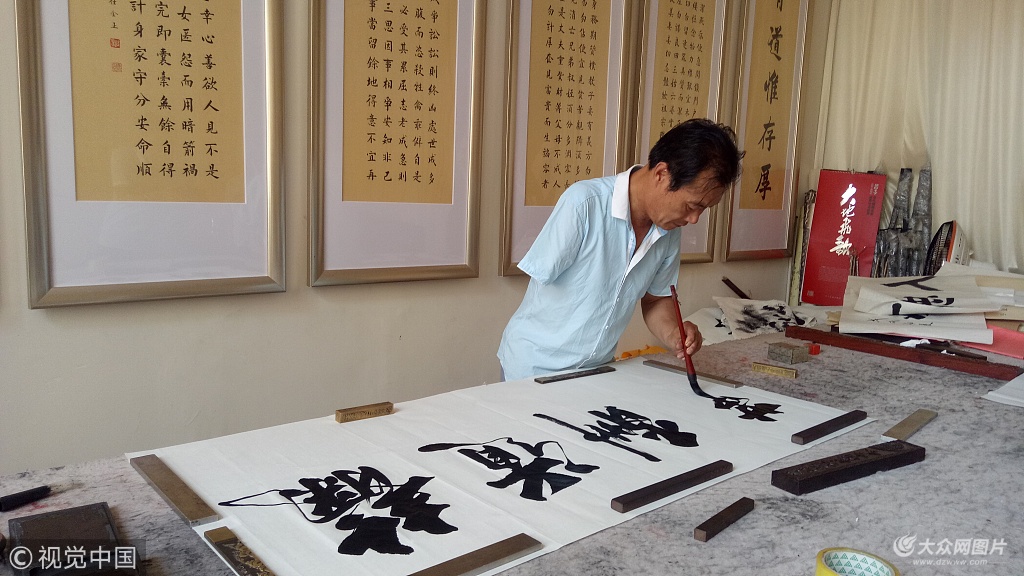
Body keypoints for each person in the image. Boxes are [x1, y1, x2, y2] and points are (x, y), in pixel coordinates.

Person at [498, 118, 743, 381]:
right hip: (534, 368)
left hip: (596, 371)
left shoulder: (669, 231)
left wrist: (674, 333)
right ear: (662, 174)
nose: (694, 219)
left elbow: (655, 299)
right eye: (692, 206)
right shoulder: (584, 203)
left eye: (704, 210)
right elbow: (542, 284)